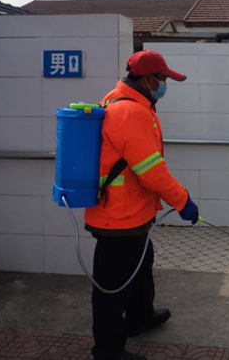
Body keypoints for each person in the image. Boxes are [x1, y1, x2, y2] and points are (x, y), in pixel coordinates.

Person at [84, 50, 199, 360]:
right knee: (112, 289)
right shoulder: (130, 112)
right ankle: (108, 351)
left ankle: (140, 317)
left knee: (141, 265)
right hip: (118, 217)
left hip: (129, 212)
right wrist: (183, 200)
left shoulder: (123, 101)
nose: (164, 85)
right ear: (148, 79)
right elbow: (150, 170)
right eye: (162, 79)